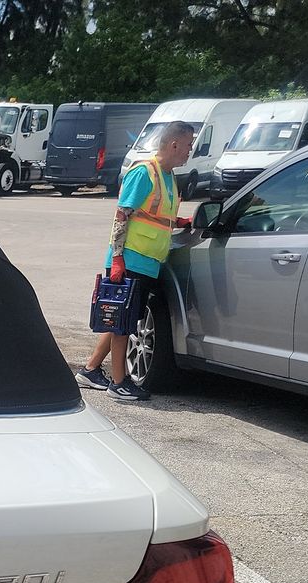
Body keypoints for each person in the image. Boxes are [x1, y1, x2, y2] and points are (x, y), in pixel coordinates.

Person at [74, 121, 195, 401]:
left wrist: (181, 221)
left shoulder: (167, 176)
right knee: (125, 325)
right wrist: (117, 259)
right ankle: (119, 383)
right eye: (188, 145)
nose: (190, 150)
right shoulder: (145, 172)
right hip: (130, 260)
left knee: (120, 319)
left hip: (147, 261)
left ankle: (91, 370)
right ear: (174, 144)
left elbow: (153, 215)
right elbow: (122, 215)